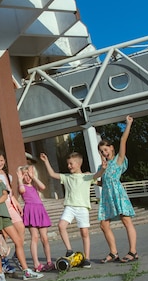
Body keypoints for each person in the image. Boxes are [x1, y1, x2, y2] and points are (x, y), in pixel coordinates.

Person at [0, 160, 43, 281]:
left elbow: (4, 196)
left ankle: (26, 271)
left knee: (18, 241)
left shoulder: (0, 182)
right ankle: (0, 273)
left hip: (5, 215)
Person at [40, 151, 105, 268]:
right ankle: (69, 250)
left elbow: (97, 175)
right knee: (61, 226)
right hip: (70, 206)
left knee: (84, 232)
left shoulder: (86, 176)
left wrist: (103, 169)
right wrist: (46, 161)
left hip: (82, 208)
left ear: (78, 164)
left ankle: (87, 258)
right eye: (68, 164)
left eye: (71, 164)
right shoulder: (67, 177)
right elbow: (52, 174)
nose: (69, 166)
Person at [97, 115, 138, 263]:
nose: (104, 153)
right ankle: (113, 252)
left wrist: (128, 124)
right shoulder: (102, 166)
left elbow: (123, 140)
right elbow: (101, 182)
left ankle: (133, 252)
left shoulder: (118, 160)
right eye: (101, 151)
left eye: (106, 149)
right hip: (107, 196)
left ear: (111, 148)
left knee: (126, 221)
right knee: (103, 224)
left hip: (118, 194)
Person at [0, 150, 24, 274]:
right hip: (0, 207)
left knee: (21, 227)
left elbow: (10, 192)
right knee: (3, 236)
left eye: (1, 160)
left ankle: (17, 256)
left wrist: (17, 203)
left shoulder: (7, 174)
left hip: (10, 205)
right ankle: (4, 261)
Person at [16, 165, 54, 272]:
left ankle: (49, 261)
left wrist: (34, 177)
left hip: (40, 210)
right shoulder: (22, 186)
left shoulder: (34, 186)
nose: (27, 177)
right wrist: (19, 179)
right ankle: (36, 263)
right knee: (35, 237)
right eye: (25, 175)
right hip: (31, 210)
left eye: (29, 175)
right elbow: (22, 190)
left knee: (45, 238)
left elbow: (43, 187)